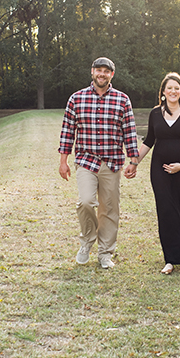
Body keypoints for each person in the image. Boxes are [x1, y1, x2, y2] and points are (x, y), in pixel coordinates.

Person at [58, 57, 140, 269]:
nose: (102, 74)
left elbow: (129, 132)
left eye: (106, 71)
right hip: (86, 161)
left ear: (112, 75)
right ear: (92, 72)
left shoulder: (122, 100)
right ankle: (87, 241)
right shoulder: (77, 98)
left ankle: (105, 253)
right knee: (85, 202)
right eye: (98, 70)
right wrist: (63, 161)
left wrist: (133, 160)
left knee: (109, 209)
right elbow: (68, 131)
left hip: (112, 163)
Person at [125, 72, 180, 275]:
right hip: (159, 170)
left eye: (177, 88)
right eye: (169, 88)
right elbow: (149, 141)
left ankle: (176, 248)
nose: (173, 91)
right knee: (166, 211)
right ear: (163, 91)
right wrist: (134, 162)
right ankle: (170, 258)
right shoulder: (155, 114)